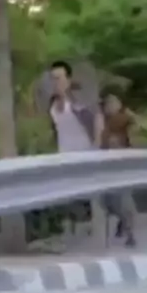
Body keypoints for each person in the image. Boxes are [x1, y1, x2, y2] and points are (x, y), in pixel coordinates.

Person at [47, 60, 103, 236]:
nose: (56, 82)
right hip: (64, 155)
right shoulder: (52, 103)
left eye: (59, 78)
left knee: (89, 192)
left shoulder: (78, 100)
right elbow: (56, 128)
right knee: (67, 193)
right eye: (53, 78)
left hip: (84, 153)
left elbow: (97, 117)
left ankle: (95, 225)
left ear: (69, 79)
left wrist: (96, 145)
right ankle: (71, 227)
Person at [100, 93, 138, 247]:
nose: (109, 106)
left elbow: (136, 127)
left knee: (125, 199)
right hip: (108, 166)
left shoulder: (124, 119)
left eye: (113, 103)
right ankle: (123, 223)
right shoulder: (102, 122)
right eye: (107, 104)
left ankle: (130, 233)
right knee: (109, 201)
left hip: (124, 166)